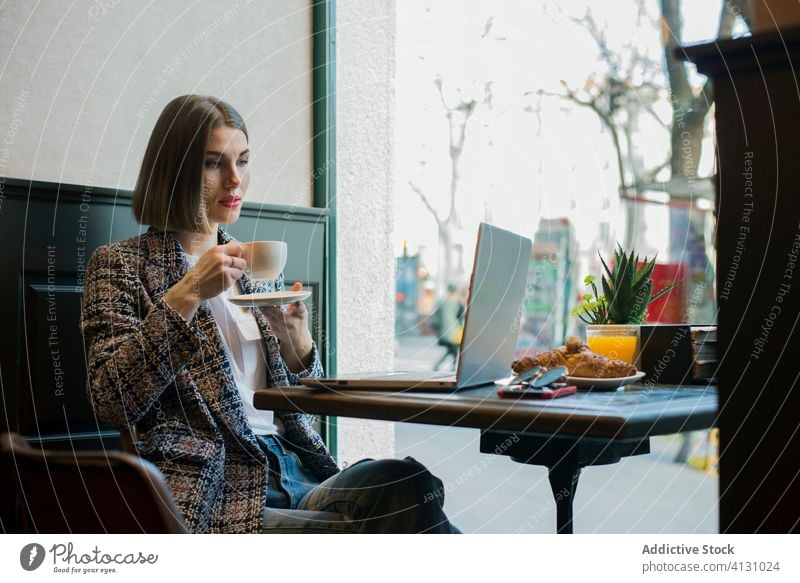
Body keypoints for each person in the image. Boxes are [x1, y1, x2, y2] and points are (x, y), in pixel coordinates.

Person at [81, 95, 458, 534]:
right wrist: (187, 295)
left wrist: (298, 348)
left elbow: (295, 402)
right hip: (217, 489)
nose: (234, 179)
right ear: (173, 171)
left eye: (242, 160)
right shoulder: (122, 265)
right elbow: (111, 400)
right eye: (212, 163)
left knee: (408, 482)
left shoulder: (251, 268)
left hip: (294, 466)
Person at [433, 285, 464, 371]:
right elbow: (460, 318)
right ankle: (454, 368)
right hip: (454, 333)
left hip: (444, 332)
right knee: (454, 350)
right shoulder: (457, 303)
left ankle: (441, 366)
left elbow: (436, 318)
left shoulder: (442, 302)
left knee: (452, 350)